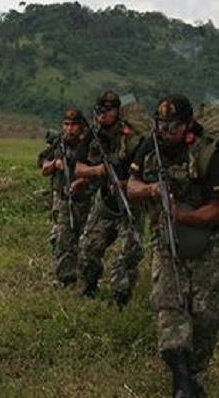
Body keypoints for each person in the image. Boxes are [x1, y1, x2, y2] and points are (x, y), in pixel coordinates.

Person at [127, 94, 219, 398]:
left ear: (187, 125)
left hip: (208, 243)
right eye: (161, 123)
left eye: (172, 125)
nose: (165, 130)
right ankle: (181, 381)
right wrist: (152, 189)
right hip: (165, 241)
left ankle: (192, 373)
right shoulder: (150, 146)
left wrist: (182, 215)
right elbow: (131, 186)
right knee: (170, 308)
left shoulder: (206, 152)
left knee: (207, 315)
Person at [75, 90, 145, 307]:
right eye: (99, 111)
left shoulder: (132, 138)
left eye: (108, 111)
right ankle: (89, 287)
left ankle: (120, 297)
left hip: (130, 202)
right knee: (88, 248)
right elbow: (78, 167)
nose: (103, 115)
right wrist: (98, 171)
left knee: (128, 253)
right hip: (105, 200)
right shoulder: (92, 136)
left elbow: (145, 171)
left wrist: (124, 184)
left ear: (118, 112)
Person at [40, 108, 94, 286]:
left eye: (73, 125)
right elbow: (43, 166)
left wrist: (80, 181)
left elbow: (99, 170)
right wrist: (55, 164)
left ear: (81, 127)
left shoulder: (89, 145)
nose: (69, 129)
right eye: (66, 125)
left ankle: (87, 278)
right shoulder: (58, 144)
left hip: (86, 199)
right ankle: (67, 279)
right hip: (63, 198)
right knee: (62, 238)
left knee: (86, 240)